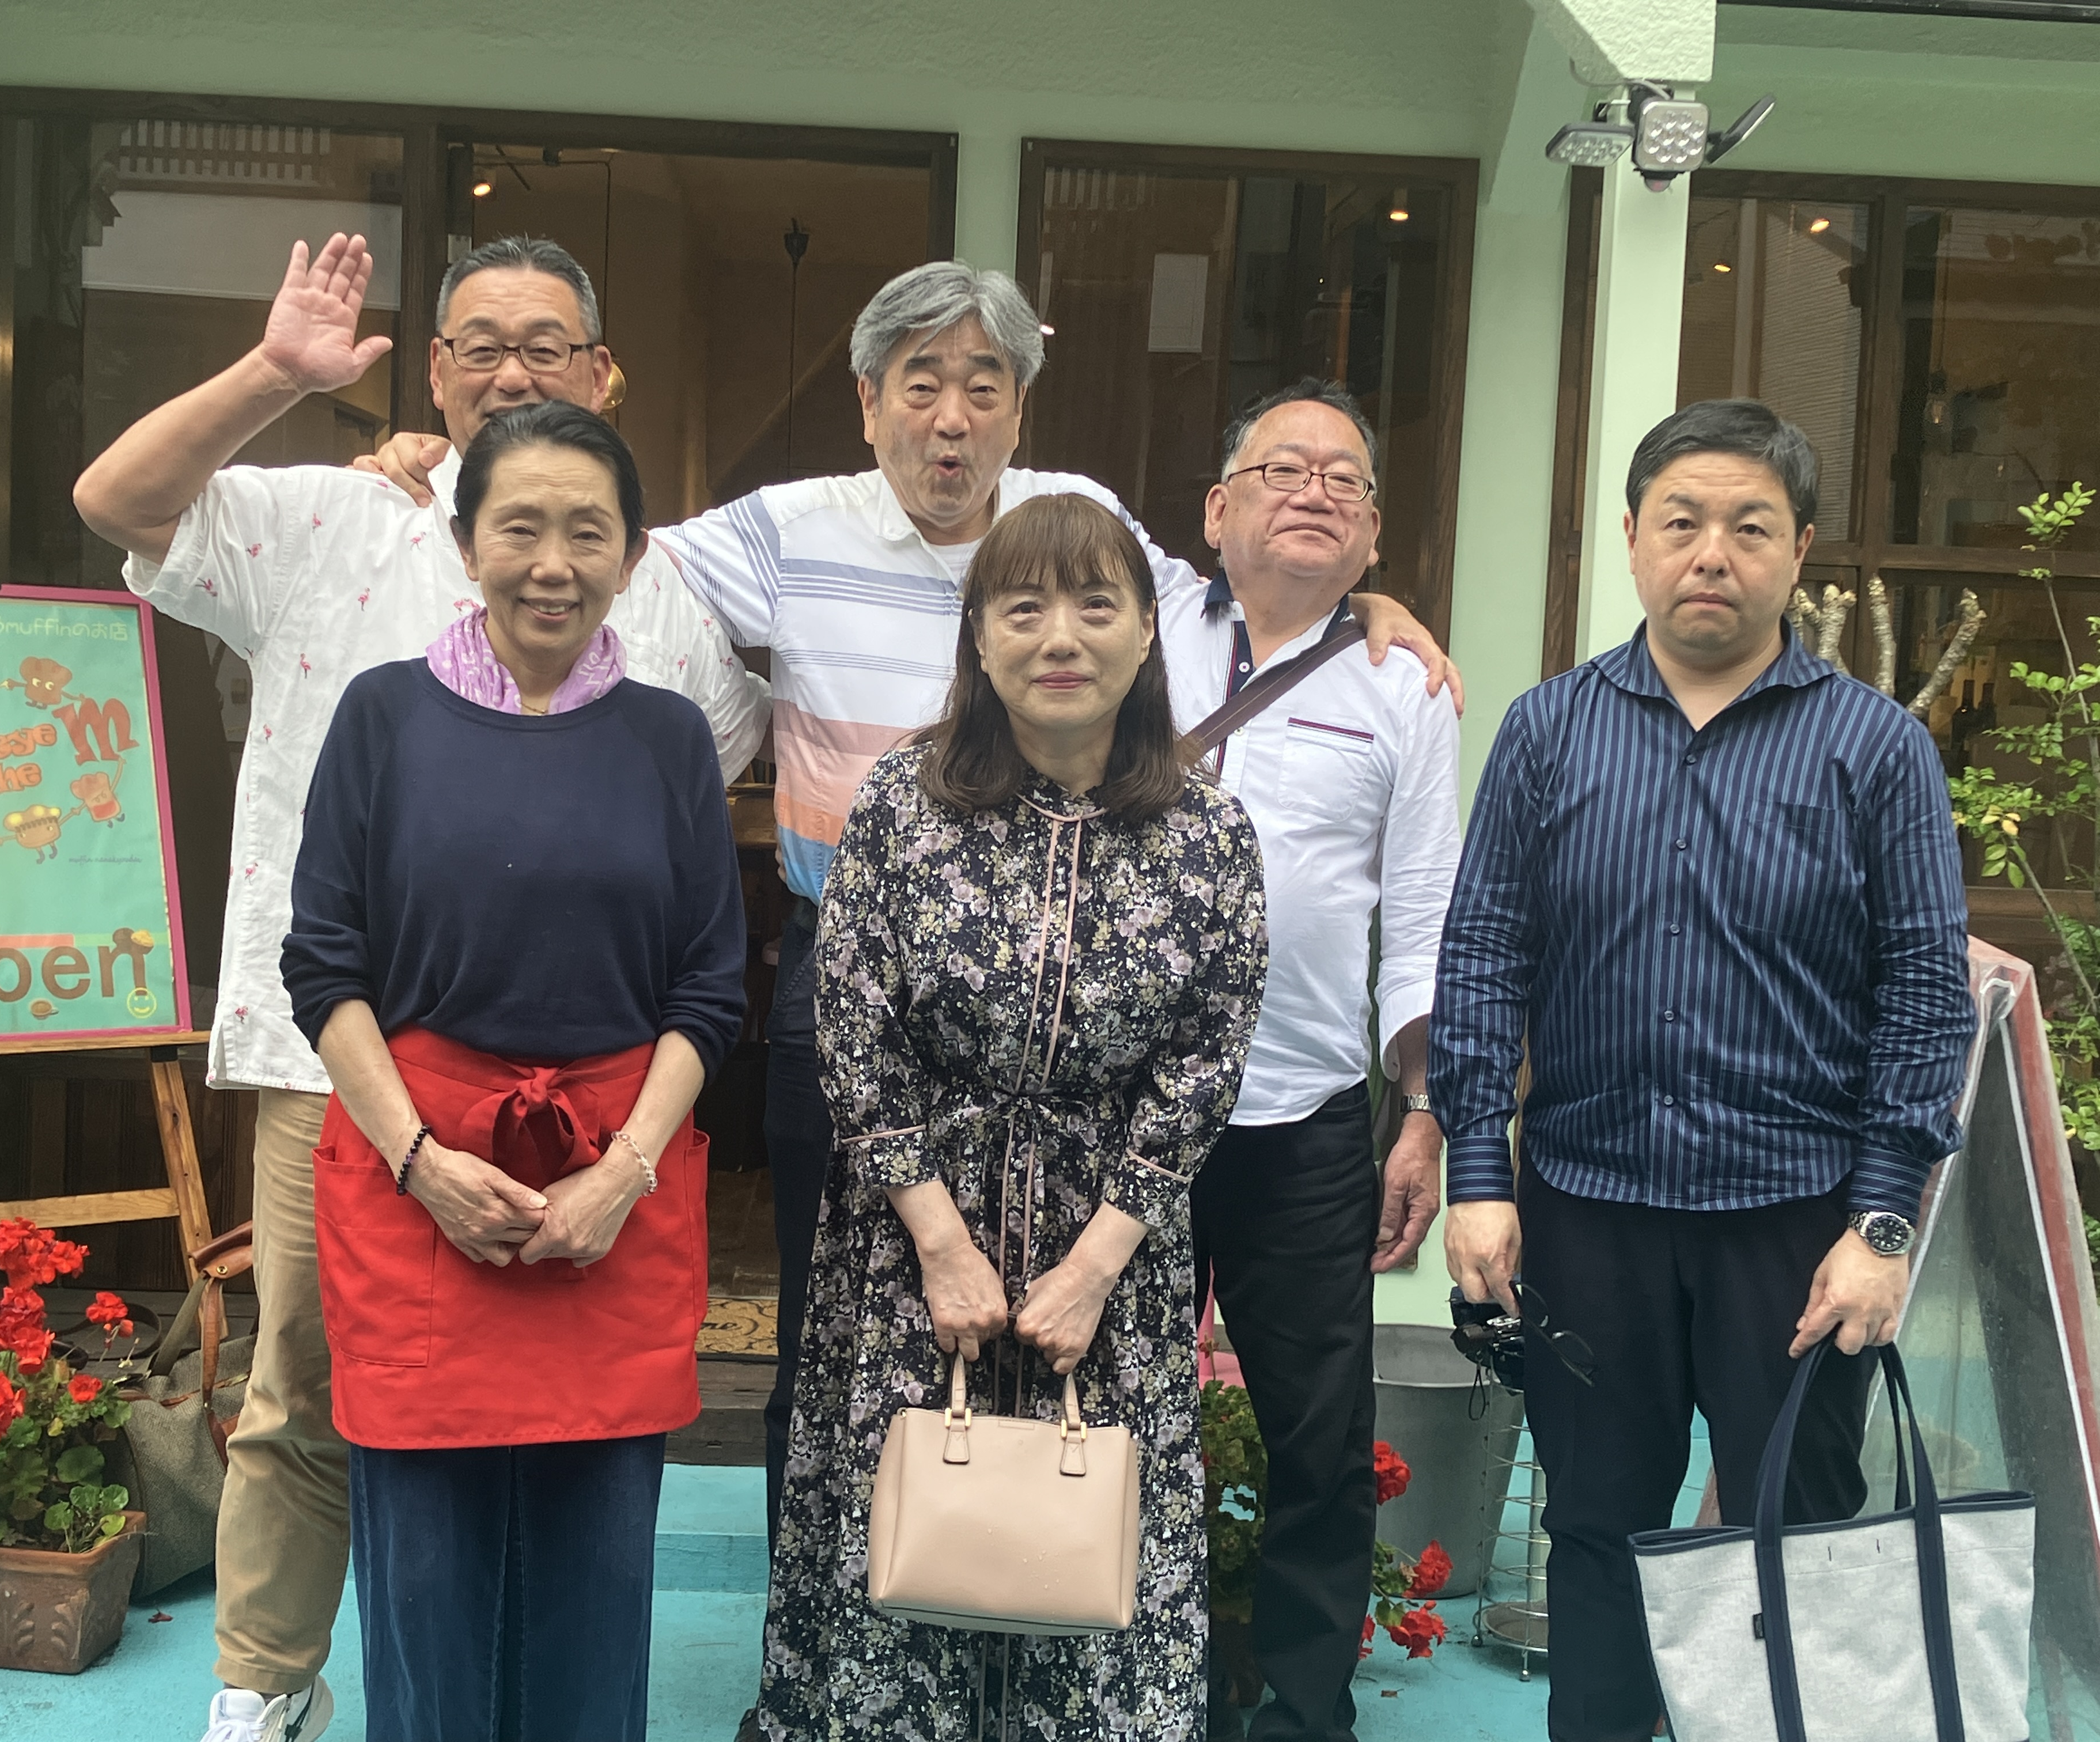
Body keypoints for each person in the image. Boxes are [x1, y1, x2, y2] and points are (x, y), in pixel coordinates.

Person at [369, 264, 1459, 1626]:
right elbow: (592, 537)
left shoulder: (1084, 524)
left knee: (1087, 1353)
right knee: (841, 1337)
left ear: (1020, 409)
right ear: (869, 400)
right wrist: (433, 458)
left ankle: (1049, 1622)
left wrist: (1368, 613)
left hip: (1094, 1023)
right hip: (863, 983)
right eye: (921, 386)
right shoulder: (786, 527)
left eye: (983, 388)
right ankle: (825, 1632)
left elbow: (1247, 594)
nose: (952, 419)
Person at [73, 232, 767, 1742]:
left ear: (605, 374)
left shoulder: (659, 591)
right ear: (435, 372)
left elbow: (689, 863)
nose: (512, 369)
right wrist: (278, 372)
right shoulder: (332, 517)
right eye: (478, 344)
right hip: (342, 1064)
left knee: (571, 1441)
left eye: (546, 343)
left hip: (594, 1096)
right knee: (308, 1389)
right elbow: (118, 502)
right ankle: (268, 1683)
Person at [1428, 399, 1978, 1742]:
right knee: (1596, 1531)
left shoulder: (1877, 750)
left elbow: (1923, 996)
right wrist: (1479, 1176)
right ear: (1633, 538)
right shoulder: (1549, 732)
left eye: (1750, 527)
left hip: (1797, 1230)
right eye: (1682, 523)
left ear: (1801, 553)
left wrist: (1883, 1226)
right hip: (1589, 1213)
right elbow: (1485, 957)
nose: (1712, 554)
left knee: (1801, 1538)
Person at [758, 490, 1269, 1739]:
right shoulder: (901, 802)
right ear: (979, 638)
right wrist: (939, 1244)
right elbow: (854, 1025)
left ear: (1147, 632)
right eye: (1024, 607)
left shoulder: (1208, 833)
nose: (1061, 637)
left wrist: (1094, 1269)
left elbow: (1208, 1058)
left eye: (1096, 605)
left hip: (1114, 1246)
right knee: (906, 1549)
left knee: (1082, 1555)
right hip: (910, 1237)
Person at [282, 399, 746, 1741]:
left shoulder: (668, 739)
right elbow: (324, 967)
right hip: (418, 1179)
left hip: (615, 1186)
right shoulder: (381, 718)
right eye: (521, 527)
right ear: (465, 541)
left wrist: (626, 1171)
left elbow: (709, 988)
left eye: (588, 532)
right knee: (424, 1578)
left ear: (634, 553)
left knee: (595, 1573)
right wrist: (420, 1163)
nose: (554, 563)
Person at [1160, 380, 1459, 1741]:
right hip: (1127, 1118)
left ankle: (1299, 1711)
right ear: (1217, 510)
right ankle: (1136, 1689)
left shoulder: (1406, 684)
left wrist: (1422, 1113)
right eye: (1283, 468)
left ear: (1375, 533)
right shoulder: (1136, 628)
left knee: (1320, 1436)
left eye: (1345, 477)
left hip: (1308, 1118)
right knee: (1114, 1411)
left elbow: (1426, 909)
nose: (1315, 489)